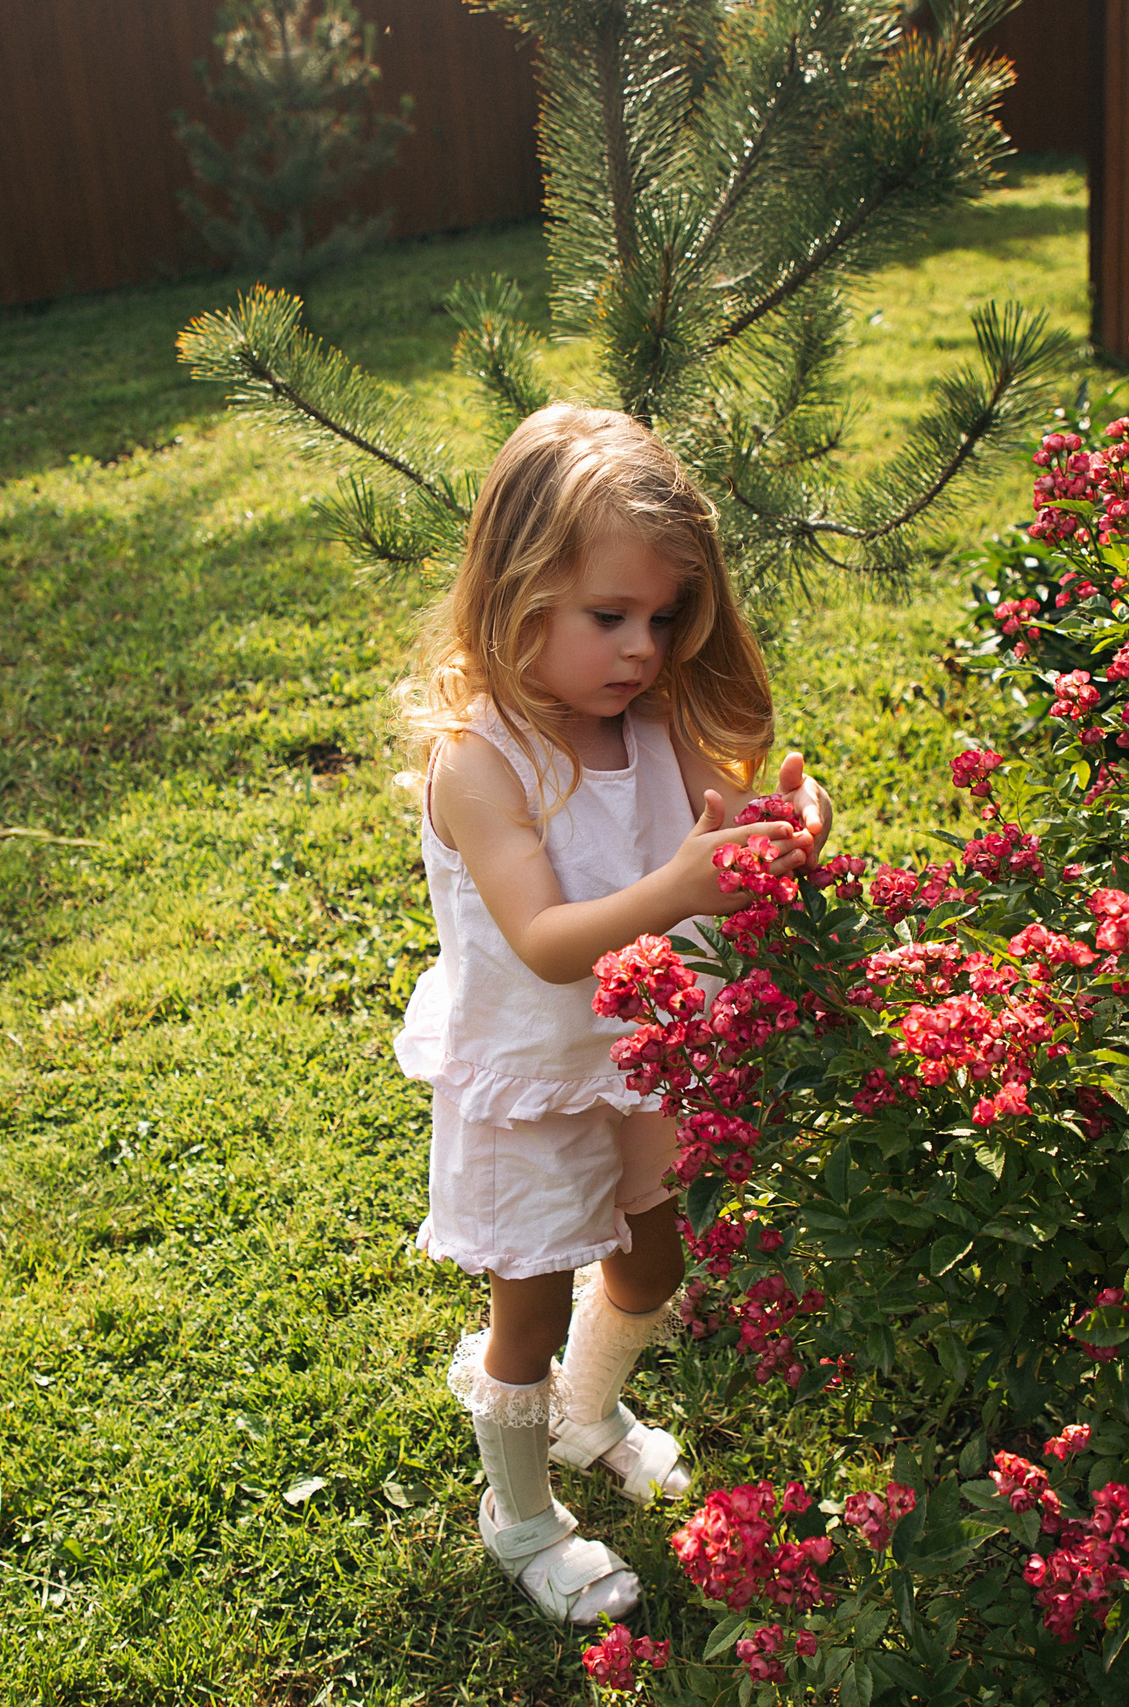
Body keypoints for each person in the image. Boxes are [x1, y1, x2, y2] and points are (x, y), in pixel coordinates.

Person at [392, 403, 832, 1625]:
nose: (642, 648)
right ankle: (521, 1513)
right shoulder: (481, 762)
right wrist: (673, 889)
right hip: (534, 1074)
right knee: (526, 1306)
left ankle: (589, 1412)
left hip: (644, 1058)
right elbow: (541, 944)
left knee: (653, 1256)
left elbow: (724, 829)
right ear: (512, 592)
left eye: (662, 617)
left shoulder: (658, 719)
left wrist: (784, 829)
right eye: (609, 617)